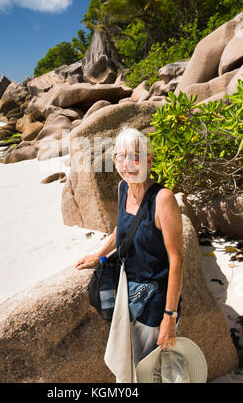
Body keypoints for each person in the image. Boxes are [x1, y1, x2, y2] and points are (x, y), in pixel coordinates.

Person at [75, 126, 183, 373]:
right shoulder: (123, 188)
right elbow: (121, 228)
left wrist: (169, 316)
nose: (128, 164)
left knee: (149, 369)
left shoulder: (163, 199)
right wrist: (100, 254)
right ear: (114, 161)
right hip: (126, 292)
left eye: (135, 156)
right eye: (121, 157)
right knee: (128, 366)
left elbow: (177, 261)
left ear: (148, 159)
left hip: (154, 301)